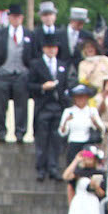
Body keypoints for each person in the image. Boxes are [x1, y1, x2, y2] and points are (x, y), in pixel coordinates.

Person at [29, 34, 69, 182]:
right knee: (42, 138)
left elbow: (65, 85)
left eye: (54, 48)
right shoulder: (36, 64)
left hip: (58, 106)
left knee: (56, 139)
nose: (52, 50)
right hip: (43, 106)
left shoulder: (62, 64)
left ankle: (53, 167)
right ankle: (41, 168)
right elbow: (29, 85)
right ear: (44, 49)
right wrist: (42, 87)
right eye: (49, 47)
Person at [0, 4, 33, 143]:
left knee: (21, 105)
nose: (16, 19)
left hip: (22, 73)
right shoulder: (1, 33)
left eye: (18, 17)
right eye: (13, 17)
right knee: (0, 105)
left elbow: (33, 54)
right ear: (9, 17)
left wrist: (28, 71)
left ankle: (20, 133)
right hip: (4, 72)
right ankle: (1, 132)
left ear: (22, 18)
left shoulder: (28, 34)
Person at [58, 84, 103, 166]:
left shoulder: (92, 111)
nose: (81, 99)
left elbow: (102, 129)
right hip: (73, 144)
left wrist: (94, 122)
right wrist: (66, 121)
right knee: (73, 166)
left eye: (83, 96)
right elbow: (62, 132)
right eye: (78, 96)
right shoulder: (68, 111)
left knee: (87, 166)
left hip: (87, 144)